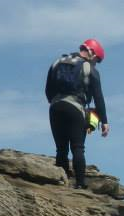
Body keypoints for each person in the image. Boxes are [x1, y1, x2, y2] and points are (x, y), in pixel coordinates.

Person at [45, 38, 109, 189]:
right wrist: (104, 121)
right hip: (75, 108)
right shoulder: (88, 68)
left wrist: (57, 101)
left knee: (61, 149)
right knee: (78, 147)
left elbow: (48, 91)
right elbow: (98, 97)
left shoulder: (57, 62)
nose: (96, 63)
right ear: (92, 53)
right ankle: (80, 185)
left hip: (55, 108)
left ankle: (61, 183)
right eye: (97, 60)